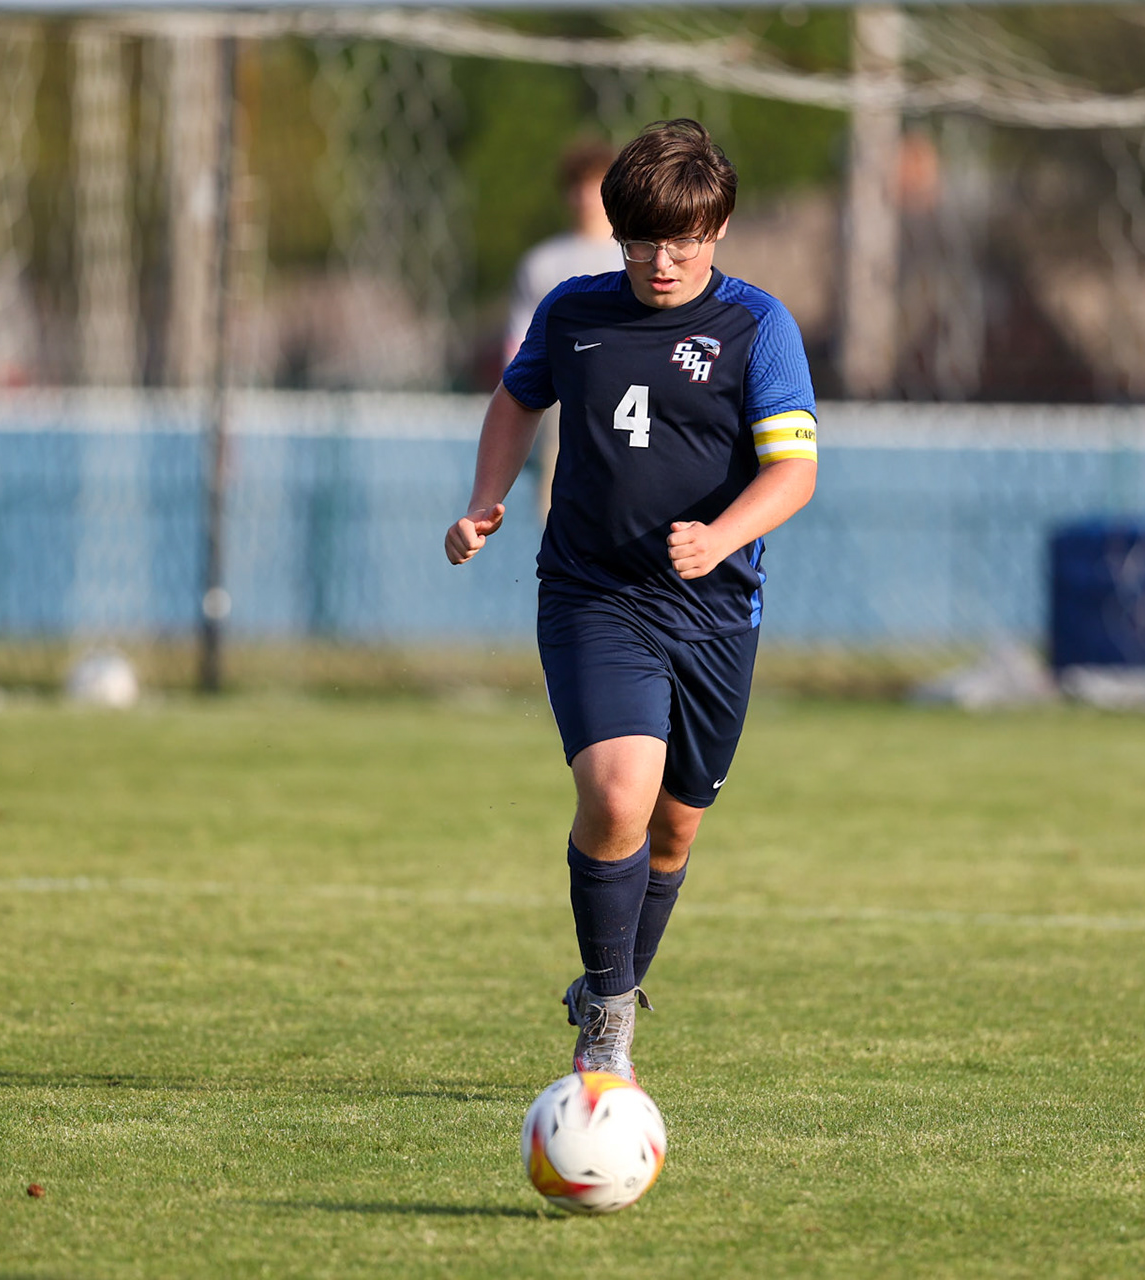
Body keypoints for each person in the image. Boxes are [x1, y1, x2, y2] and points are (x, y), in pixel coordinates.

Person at [445, 120, 819, 1079]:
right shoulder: (574, 311)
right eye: (641, 239)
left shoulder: (759, 328)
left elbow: (793, 473)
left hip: (713, 610)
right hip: (592, 592)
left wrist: (722, 535)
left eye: (682, 240)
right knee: (617, 796)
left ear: (720, 226)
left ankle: (609, 981)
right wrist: (486, 499)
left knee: (675, 824)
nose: (661, 260)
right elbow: (515, 398)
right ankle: (610, 1017)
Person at [503, 139, 625, 523]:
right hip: (563, 401)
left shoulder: (636, 254)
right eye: (579, 185)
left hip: (629, 393)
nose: (586, 196)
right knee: (561, 514)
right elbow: (520, 349)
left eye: (596, 184)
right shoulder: (542, 262)